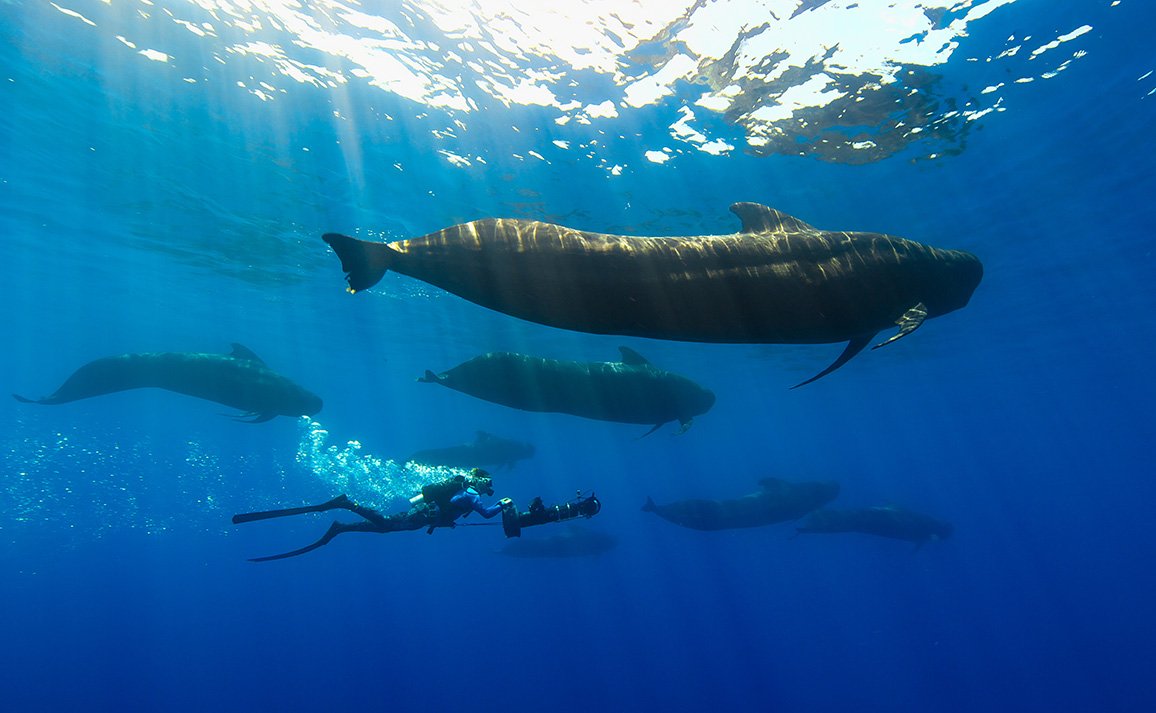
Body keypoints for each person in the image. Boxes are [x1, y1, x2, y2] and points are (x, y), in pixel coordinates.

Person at [232, 469, 504, 561]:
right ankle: (346, 503)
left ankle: (340, 527)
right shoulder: (471, 494)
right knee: (385, 523)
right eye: (487, 482)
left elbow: (447, 512)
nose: (488, 488)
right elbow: (489, 514)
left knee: (384, 527)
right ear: (479, 480)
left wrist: (447, 523)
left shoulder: (466, 493)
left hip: (422, 518)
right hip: (420, 517)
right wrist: (504, 504)